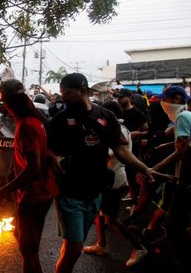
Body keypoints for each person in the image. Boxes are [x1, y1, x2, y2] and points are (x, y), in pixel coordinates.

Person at [48, 73, 162, 273]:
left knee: (73, 245)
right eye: (61, 93)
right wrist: (57, 167)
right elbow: (50, 152)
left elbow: (120, 150)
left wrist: (144, 168)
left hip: (95, 192)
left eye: (66, 93)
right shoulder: (60, 120)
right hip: (70, 193)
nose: (63, 97)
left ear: (83, 91)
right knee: (74, 249)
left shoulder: (106, 117)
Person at [0, 79, 59, 273]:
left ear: (10, 102)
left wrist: (4, 190)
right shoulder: (34, 119)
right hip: (37, 192)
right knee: (22, 239)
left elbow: (34, 167)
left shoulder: (27, 124)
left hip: (35, 194)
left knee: (28, 249)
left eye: (4, 102)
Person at [82, 100, 148, 268]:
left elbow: (107, 154)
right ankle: (101, 244)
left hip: (113, 179)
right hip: (109, 177)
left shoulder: (115, 129)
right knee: (99, 211)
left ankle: (138, 248)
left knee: (111, 219)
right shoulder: (120, 128)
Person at [149, 86, 191, 272]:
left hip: (186, 177)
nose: (163, 105)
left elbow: (182, 150)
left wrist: (154, 168)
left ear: (176, 99)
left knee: (175, 225)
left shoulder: (182, 117)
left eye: (165, 100)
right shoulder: (187, 115)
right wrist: (165, 145)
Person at [114, 88, 149, 207]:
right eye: (117, 97)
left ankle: (136, 200)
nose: (118, 99)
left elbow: (146, 130)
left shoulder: (137, 112)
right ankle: (132, 197)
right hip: (118, 147)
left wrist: (135, 134)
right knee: (123, 173)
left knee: (131, 173)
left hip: (131, 148)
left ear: (129, 98)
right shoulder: (117, 112)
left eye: (121, 97)